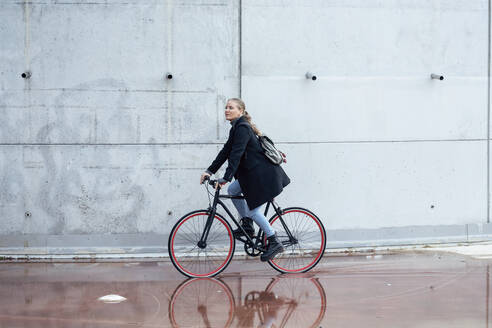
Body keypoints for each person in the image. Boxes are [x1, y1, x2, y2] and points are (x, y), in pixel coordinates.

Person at [200, 98, 290, 262]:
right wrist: (209, 171)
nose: (227, 110)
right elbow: (225, 152)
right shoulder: (236, 128)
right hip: (252, 175)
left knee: (254, 211)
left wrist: (226, 178)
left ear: (240, 111)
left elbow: (237, 154)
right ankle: (247, 226)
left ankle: (274, 241)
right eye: (226, 107)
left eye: (231, 107)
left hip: (263, 176)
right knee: (233, 190)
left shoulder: (243, 128)